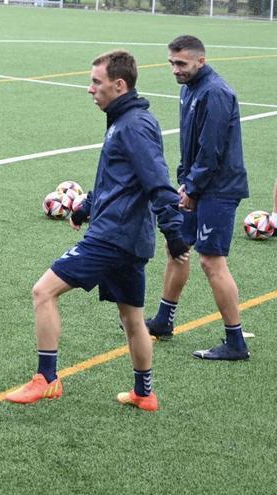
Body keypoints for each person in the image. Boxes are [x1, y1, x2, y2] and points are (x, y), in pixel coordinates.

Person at [5, 51, 190, 412]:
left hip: (113, 237)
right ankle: (144, 393)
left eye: (96, 82)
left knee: (43, 291)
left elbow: (157, 181)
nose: (90, 89)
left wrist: (174, 231)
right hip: (130, 238)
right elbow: (120, 179)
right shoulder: (125, 120)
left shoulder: (133, 125)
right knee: (132, 317)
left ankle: (46, 379)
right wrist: (87, 205)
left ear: (118, 85)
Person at [145, 35, 251, 361]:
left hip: (218, 188)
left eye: (182, 64)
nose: (175, 70)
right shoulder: (189, 88)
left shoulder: (215, 93)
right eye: (172, 63)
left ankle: (235, 343)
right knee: (177, 246)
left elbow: (212, 149)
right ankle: (163, 320)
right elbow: (191, 144)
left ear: (200, 61)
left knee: (211, 261)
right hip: (197, 184)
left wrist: (192, 188)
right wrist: (185, 182)